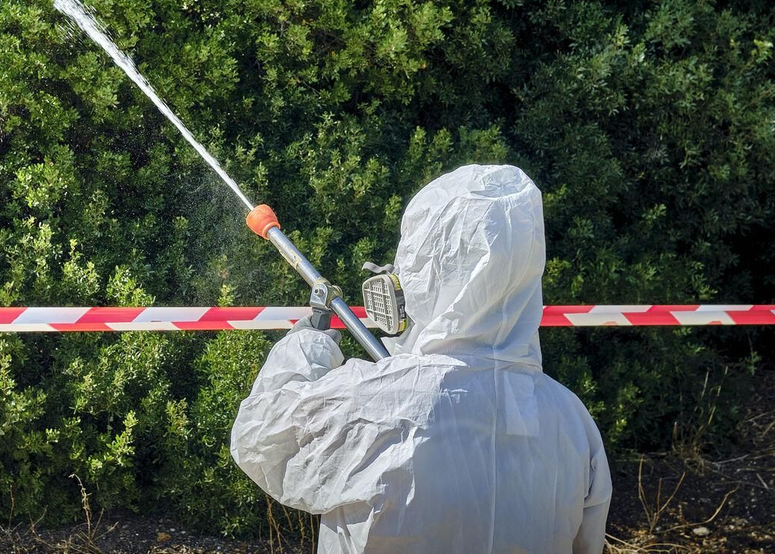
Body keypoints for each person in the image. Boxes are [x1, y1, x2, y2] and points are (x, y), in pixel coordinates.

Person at [229, 164, 611, 553]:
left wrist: (309, 343)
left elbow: (261, 435)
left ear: (426, 267)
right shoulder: (571, 420)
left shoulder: (379, 401)